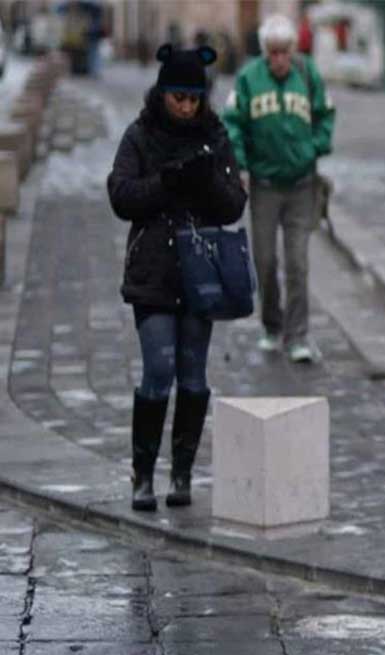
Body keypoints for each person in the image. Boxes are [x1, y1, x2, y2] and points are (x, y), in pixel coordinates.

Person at [107, 44, 247, 511]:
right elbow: (121, 195)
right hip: (153, 270)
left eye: (194, 98)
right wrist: (166, 182)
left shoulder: (214, 136)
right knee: (158, 369)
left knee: (192, 373)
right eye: (178, 97)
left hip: (200, 272)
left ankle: (182, 473)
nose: (187, 107)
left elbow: (233, 204)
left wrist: (204, 180)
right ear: (163, 93)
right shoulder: (140, 136)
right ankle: (142, 474)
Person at [222, 14, 336, 363]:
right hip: (265, 186)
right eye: (272, 52)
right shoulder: (248, 78)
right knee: (266, 260)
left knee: (298, 262)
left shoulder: (308, 73)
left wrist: (314, 147)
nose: (279, 59)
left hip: (302, 184)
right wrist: (240, 162)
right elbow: (232, 122)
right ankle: (272, 325)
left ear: (293, 49)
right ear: (264, 52)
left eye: (284, 51)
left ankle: (298, 335)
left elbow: (326, 113)